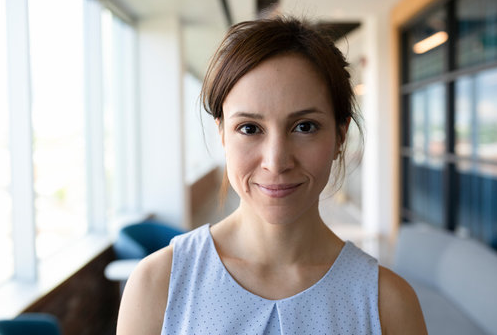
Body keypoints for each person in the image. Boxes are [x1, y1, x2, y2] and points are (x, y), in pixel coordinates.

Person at [117, 17, 427, 335]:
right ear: (222, 135)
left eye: (304, 126)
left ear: (340, 136)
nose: (276, 161)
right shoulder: (159, 286)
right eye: (249, 128)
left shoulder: (388, 305)